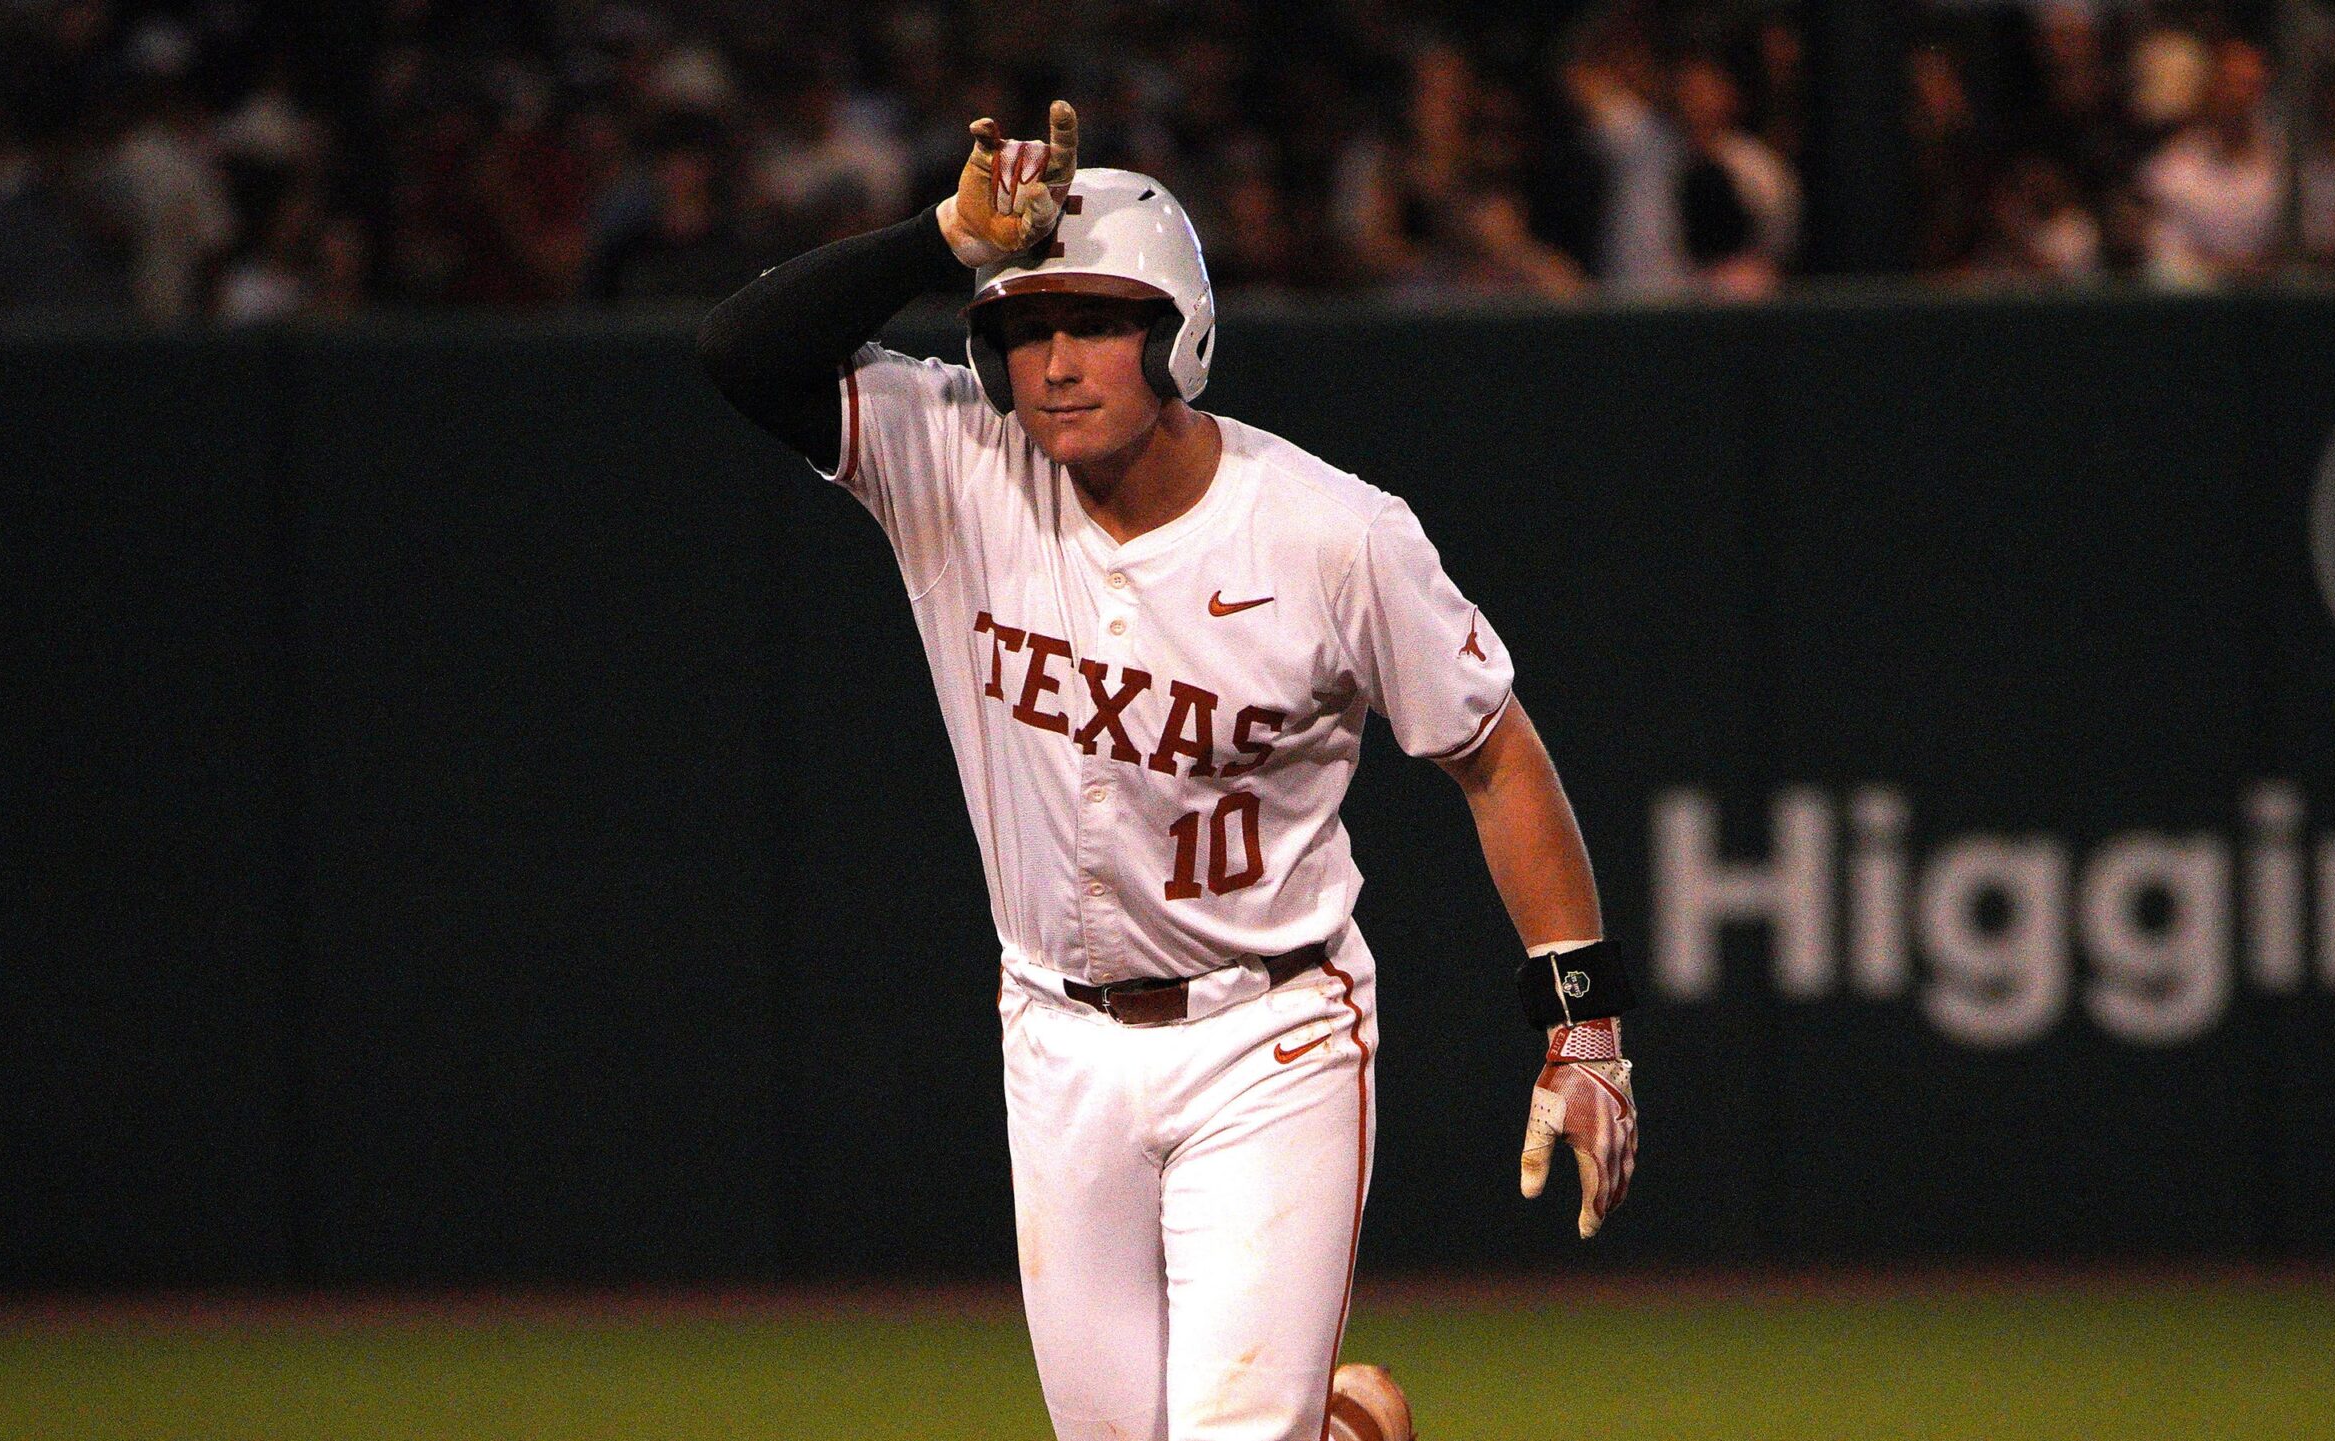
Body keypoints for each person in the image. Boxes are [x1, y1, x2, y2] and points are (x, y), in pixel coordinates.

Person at [699, 103, 1639, 1441]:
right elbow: (738, 351)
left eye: (1096, 323)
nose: (1056, 365)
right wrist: (945, 238)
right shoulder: (961, 459)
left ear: (1178, 334)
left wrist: (1584, 1027)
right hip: (1056, 1035)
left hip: (1271, 1033)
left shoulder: (1332, 535)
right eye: (1024, 330)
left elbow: (1497, 756)